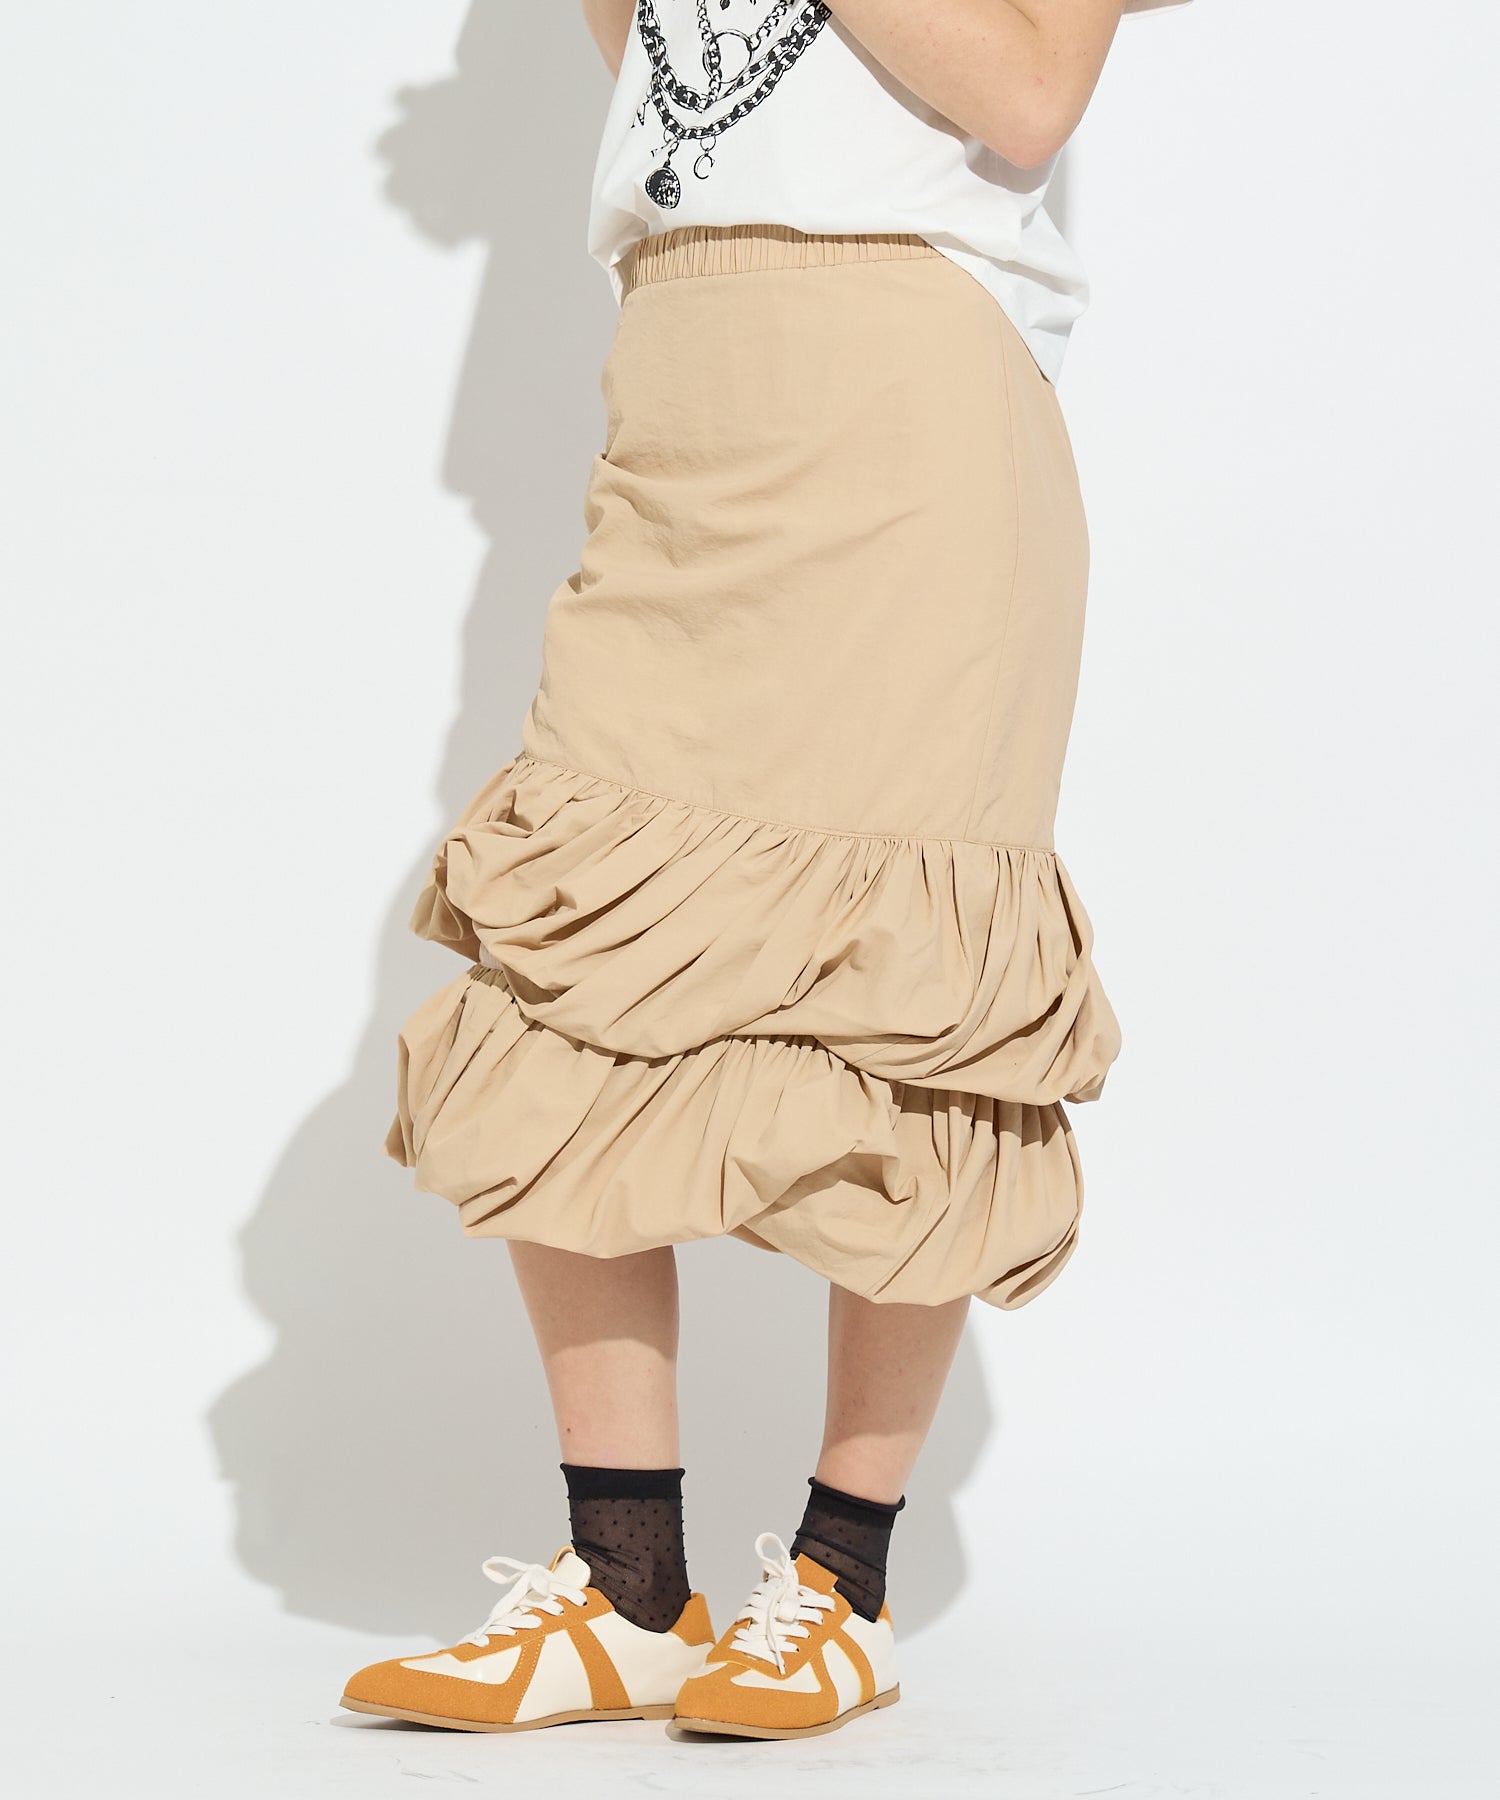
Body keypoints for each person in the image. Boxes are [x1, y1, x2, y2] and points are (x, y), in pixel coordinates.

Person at [341, 0, 1192, 1743]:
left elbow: (1031, 92)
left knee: (908, 992)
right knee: (570, 951)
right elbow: (678, 76)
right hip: (680, 384)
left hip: (911, 410)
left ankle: (839, 1586)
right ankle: (627, 1591)